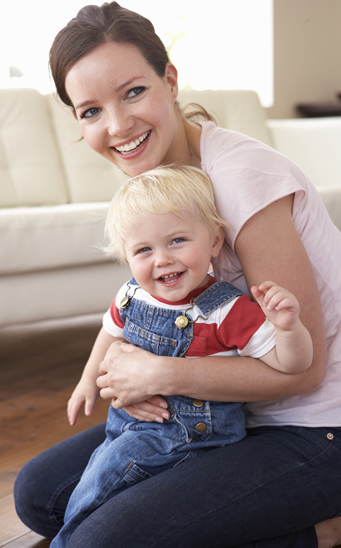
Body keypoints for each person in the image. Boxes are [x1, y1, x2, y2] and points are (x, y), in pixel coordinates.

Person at [14, 2, 341, 547]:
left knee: (100, 541)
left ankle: (317, 531)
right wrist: (128, 383)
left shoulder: (240, 178)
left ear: (169, 79)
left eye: (133, 92)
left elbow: (304, 374)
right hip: (218, 416)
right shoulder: (157, 185)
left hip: (316, 428)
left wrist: (157, 376)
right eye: (90, 110)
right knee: (40, 494)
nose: (118, 126)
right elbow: (149, 317)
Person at [50, 165, 313, 548]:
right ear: (126, 255)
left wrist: (289, 329)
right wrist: (87, 382)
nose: (162, 259)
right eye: (144, 249)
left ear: (214, 241)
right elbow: (110, 332)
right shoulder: (131, 295)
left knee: (104, 477)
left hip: (191, 437)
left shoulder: (226, 310)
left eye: (177, 240)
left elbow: (293, 365)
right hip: (126, 423)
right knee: (98, 475)